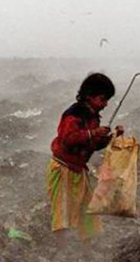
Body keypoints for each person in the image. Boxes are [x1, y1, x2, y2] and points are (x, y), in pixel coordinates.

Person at [46, 73, 123, 252]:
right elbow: (68, 139)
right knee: (63, 210)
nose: (105, 104)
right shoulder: (73, 114)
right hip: (63, 168)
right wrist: (93, 133)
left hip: (78, 169)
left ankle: (88, 249)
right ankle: (61, 251)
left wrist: (111, 137)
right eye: (102, 99)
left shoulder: (93, 116)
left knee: (87, 209)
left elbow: (93, 145)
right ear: (89, 95)